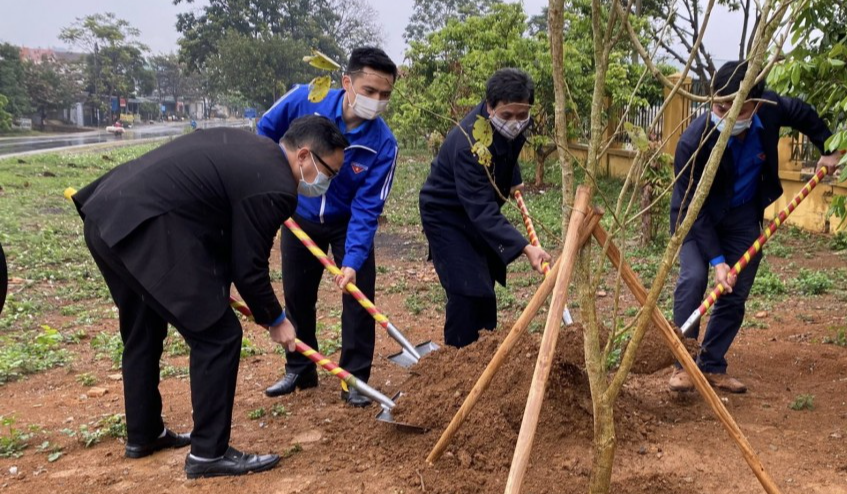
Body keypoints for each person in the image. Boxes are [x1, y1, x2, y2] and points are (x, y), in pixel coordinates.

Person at [71, 116, 348, 479]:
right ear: (304, 156)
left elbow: (221, 234)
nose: (330, 180)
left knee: (144, 328)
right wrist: (276, 320)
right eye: (331, 171)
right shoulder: (277, 185)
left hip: (108, 215)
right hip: (145, 229)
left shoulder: (255, 151)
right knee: (219, 336)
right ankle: (208, 454)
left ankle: (144, 434)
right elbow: (248, 268)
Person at [668, 60, 840, 394]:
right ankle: (683, 366)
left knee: (735, 292)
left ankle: (712, 365)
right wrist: (717, 262)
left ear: (755, 105)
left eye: (732, 108)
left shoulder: (771, 110)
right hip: (696, 218)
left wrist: (831, 149)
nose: (723, 114)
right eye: (718, 106)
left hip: (743, 216)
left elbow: (804, 114)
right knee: (693, 279)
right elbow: (693, 207)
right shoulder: (693, 142)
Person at [257, 47, 399, 407]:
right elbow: (264, 134)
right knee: (298, 295)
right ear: (347, 82)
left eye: (385, 95)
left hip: (347, 222)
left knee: (358, 294)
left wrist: (351, 260)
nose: (377, 101)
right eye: (370, 91)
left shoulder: (383, 144)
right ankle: (300, 368)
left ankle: (355, 378)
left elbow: (368, 207)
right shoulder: (304, 99)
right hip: (298, 214)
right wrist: (278, 188)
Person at [419, 68, 552, 348]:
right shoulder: (471, 143)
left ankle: (483, 350)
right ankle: (458, 358)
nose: (515, 123)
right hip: (447, 215)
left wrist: (513, 179)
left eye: (522, 115)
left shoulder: (509, 122)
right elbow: (481, 210)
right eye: (507, 116)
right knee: (467, 289)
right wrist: (526, 248)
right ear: (490, 107)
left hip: (476, 207)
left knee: (484, 285)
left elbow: (509, 148)